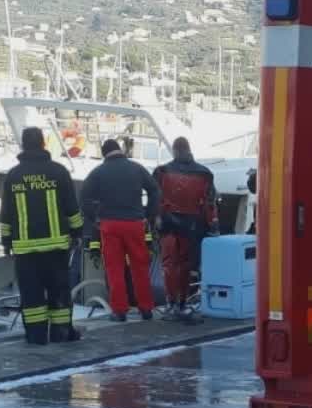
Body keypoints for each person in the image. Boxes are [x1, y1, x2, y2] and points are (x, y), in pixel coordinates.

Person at [0, 126, 85, 344]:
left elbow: (6, 213)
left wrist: (6, 242)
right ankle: (62, 334)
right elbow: (71, 208)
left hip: (25, 250)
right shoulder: (59, 172)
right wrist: (77, 232)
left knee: (32, 296)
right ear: (43, 144)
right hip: (56, 249)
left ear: (23, 146)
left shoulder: (13, 176)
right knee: (59, 292)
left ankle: (36, 337)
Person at [81, 137, 160, 321]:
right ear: (120, 150)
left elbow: (84, 198)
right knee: (139, 267)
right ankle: (146, 308)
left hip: (110, 225)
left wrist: (96, 218)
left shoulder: (98, 172)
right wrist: (149, 213)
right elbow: (154, 189)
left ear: (104, 154)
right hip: (134, 224)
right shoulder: (136, 168)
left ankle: (119, 310)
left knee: (114, 269)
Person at [153, 137, 218, 320]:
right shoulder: (205, 173)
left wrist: (155, 221)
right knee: (186, 266)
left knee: (169, 264)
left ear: (174, 151)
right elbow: (209, 203)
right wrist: (213, 225)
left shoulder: (162, 171)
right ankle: (183, 302)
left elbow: (155, 200)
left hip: (168, 224)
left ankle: (171, 302)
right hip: (193, 225)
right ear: (189, 149)